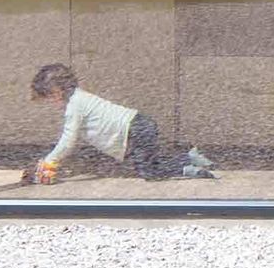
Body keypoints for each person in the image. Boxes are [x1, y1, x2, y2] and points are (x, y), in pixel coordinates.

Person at [25, 62, 214, 186]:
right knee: (150, 163)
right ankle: (190, 157)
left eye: (50, 96)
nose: (51, 101)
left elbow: (68, 140)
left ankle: (187, 165)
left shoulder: (75, 105)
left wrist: (50, 160)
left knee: (149, 172)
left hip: (133, 130)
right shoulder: (79, 98)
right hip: (137, 125)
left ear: (59, 90)